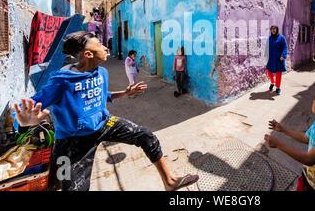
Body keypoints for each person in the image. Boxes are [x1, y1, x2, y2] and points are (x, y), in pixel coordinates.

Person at [13, 31, 198, 191]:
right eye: (100, 45)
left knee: (145, 135)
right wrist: (25, 122)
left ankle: (170, 181)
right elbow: (26, 109)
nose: (106, 48)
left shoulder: (102, 73)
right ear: (88, 54)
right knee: (70, 185)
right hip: (72, 140)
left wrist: (124, 93)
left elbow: (102, 94)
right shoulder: (61, 81)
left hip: (104, 124)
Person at [266, 26, 288, 95]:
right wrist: (266, 55)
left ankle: (278, 87)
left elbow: (285, 47)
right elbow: (267, 47)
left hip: (279, 59)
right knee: (269, 72)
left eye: (275, 29)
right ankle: (273, 82)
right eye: (272, 29)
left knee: (278, 74)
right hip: (271, 59)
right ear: (271, 30)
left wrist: (283, 55)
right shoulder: (269, 38)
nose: (273, 30)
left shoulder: (281, 37)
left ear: (277, 30)